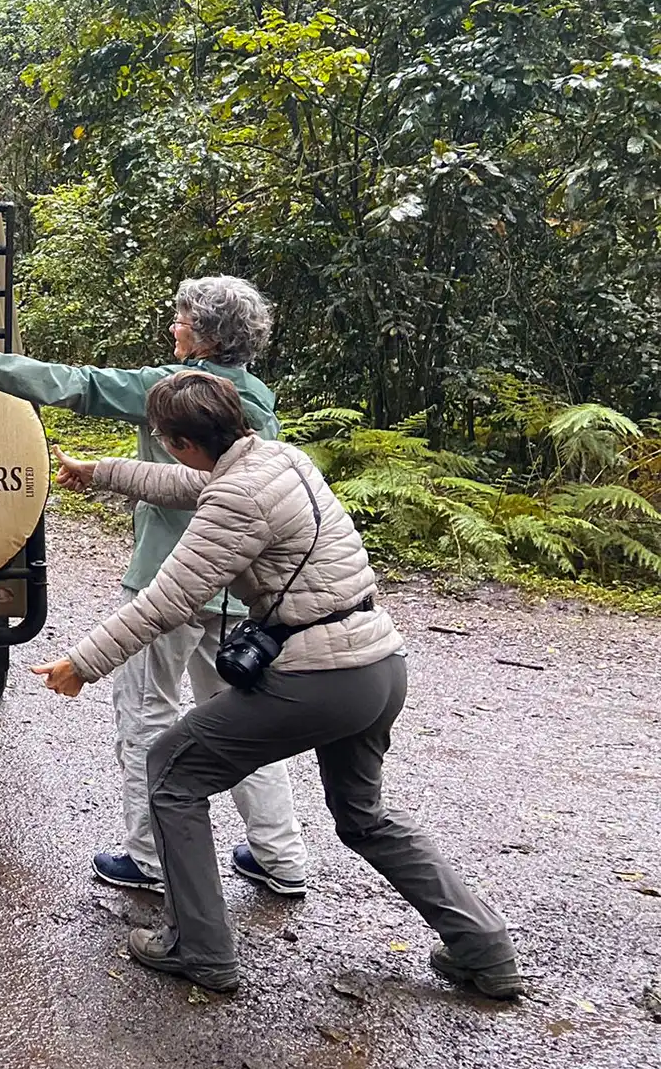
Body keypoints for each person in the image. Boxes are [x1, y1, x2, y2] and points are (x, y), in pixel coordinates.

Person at [32, 371, 523, 998]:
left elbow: (168, 600)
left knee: (172, 771)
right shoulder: (277, 458)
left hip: (320, 679)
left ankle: (200, 949)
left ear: (180, 439)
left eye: (163, 441)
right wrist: (101, 471)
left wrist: (81, 663)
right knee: (363, 817)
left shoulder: (237, 499)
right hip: (378, 665)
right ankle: (484, 948)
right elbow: (187, 484)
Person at [0, 275, 308, 897]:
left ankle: (149, 858)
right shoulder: (258, 401)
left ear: (205, 337)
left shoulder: (165, 391)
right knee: (241, 722)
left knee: (147, 716)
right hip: (235, 590)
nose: (174, 327)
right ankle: (280, 857)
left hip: (167, 581)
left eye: (182, 320)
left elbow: (80, 385)